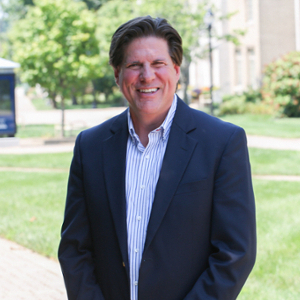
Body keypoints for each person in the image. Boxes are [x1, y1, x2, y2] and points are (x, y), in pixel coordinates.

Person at [58, 16, 256, 300]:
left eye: (158, 64)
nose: (147, 76)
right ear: (117, 74)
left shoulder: (222, 142)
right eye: (134, 65)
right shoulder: (90, 147)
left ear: (176, 70)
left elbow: (235, 253)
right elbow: (74, 249)